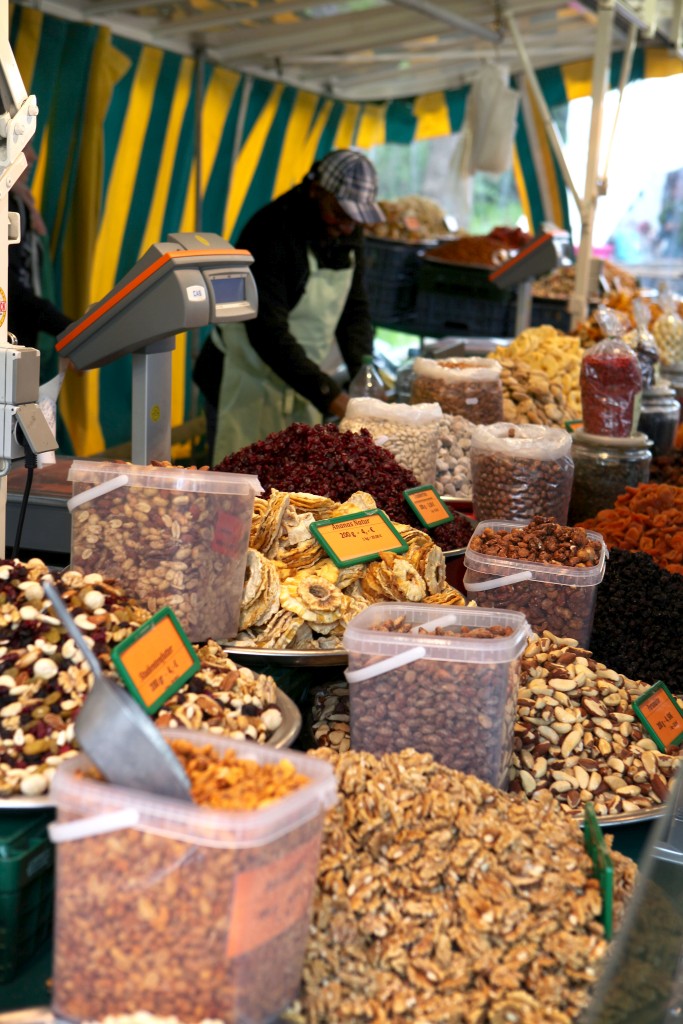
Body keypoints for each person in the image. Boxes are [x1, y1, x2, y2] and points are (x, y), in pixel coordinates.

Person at [194, 149, 384, 462]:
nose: (347, 227)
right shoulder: (273, 231)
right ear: (316, 190)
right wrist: (329, 394)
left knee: (294, 482)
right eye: (339, 213)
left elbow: (355, 311)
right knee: (240, 479)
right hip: (245, 381)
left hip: (299, 380)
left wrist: (362, 375)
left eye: (355, 218)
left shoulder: (346, 232)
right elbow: (267, 332)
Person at [7, 143, 71, 380]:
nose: (33, 156)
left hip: (22, 349)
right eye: (25, 146)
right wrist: (65, 328)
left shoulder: (20, 203)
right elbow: (10, 288)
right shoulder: (9, 206)